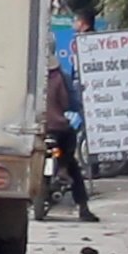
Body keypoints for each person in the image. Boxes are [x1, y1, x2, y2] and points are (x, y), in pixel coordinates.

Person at [43, 55, 98, 221]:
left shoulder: (29, 78)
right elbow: (69, 104)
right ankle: (82, 206)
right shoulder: (61, 77)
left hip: (37, 129)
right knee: (73, 164)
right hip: (58, 127)